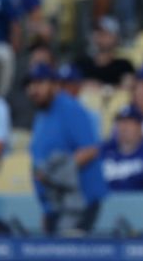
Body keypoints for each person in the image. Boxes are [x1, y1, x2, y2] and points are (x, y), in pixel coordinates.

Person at [27, 64, 108, 235]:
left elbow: (90, 150)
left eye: (41, 83)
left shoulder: (69, 108)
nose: (34, 89)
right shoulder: (41, 115)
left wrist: (52, 174)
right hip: (55, 205)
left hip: (78, 203)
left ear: (55, 85)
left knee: (70, 260)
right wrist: (46, 209)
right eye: (32, 84)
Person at [76, 16, 135, 89]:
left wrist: (102, 87)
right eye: (99, 32)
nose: (102, 36)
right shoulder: (82, 64)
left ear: (116, 38)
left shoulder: (124, 66)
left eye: (107, 33)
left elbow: (128, 87)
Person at [57, 63, 102, 139]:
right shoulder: (52, 109)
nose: (64, 89)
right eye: (62, 85)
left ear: (78, 86)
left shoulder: (89, 109)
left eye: (69, 85)